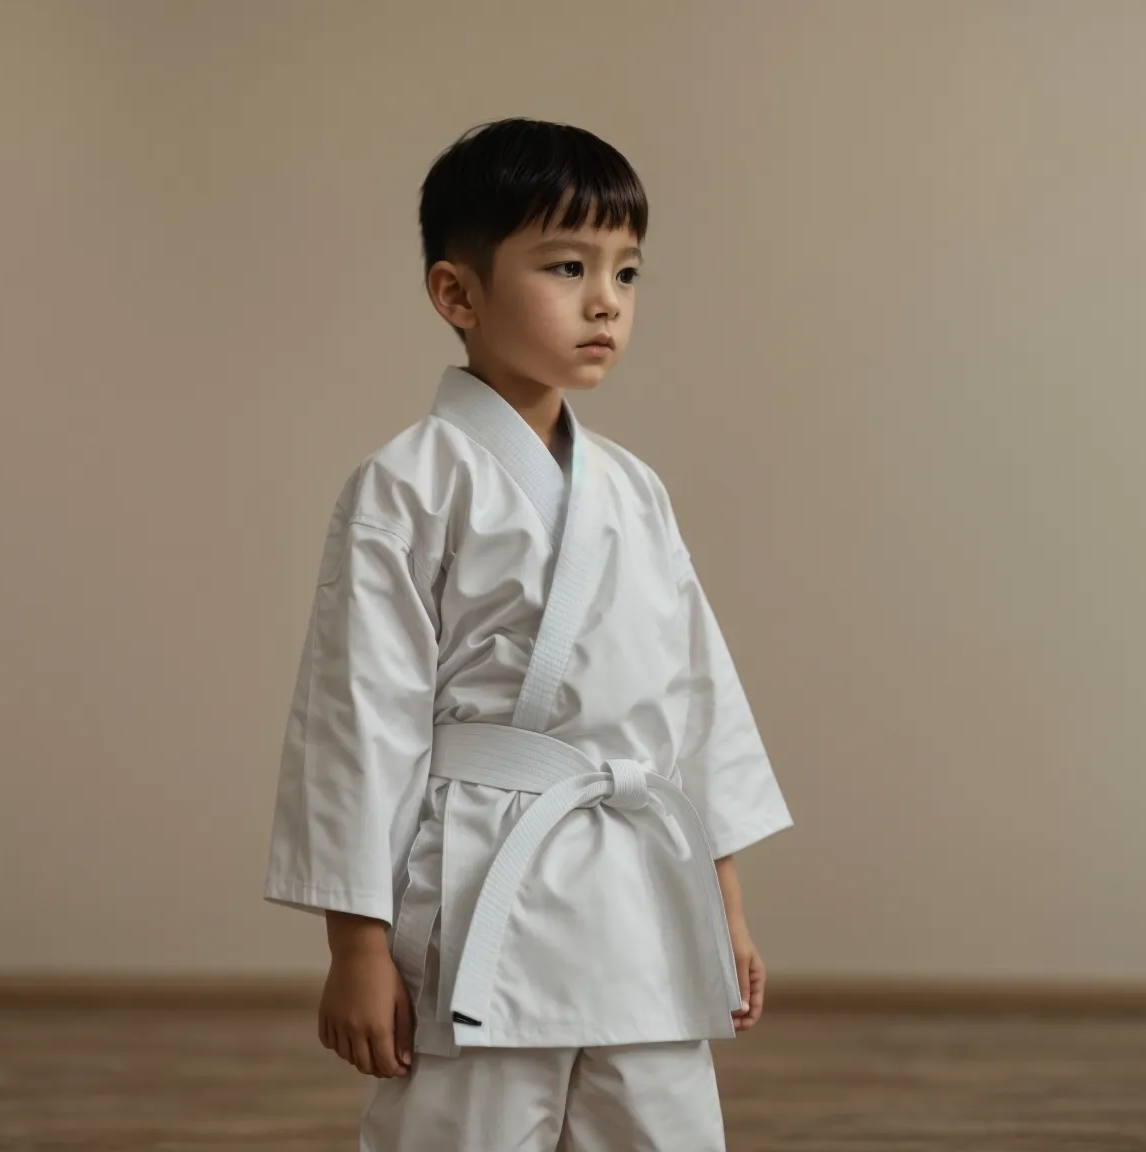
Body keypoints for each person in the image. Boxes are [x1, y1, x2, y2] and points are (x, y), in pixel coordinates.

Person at [262, 117, 793, 1151]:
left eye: (626, 272)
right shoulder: (405, 487)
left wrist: (721, 903)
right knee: (468, 1125)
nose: (604, 301)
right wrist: (356, 948)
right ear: (456, 294)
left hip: (639, 882)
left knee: (660, 1120)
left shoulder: (634, 492)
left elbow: (693, 702)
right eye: (565, 265)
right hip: (482, 884)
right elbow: (358, 722)